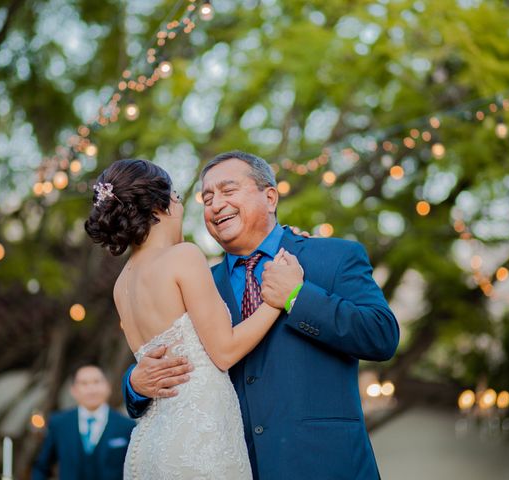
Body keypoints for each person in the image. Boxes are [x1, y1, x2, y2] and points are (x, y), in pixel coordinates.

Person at [123, 151, 400, 479]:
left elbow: (382, 335)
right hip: (236, 466)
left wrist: (297, 297)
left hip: (325, 465)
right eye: (206, 197)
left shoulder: (333, 257)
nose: (214, 204)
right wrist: (134, 384)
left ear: (270, 197)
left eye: (228, 191)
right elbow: (172, 352)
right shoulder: (198, 279)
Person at [84, 159, 291, 479]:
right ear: (160, 205)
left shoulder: (121, 284)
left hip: (152, 441)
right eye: (178, 197)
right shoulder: (183, 257)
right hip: (199, 436)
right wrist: (276, 301)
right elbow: (225, 351)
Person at [32, 364, 135, 480]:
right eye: (84, 383)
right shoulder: (59, 423)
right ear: (74, 390)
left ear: (108, 386)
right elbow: (42, 467)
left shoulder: (126, 426)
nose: (91, 389)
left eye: (96, 382)